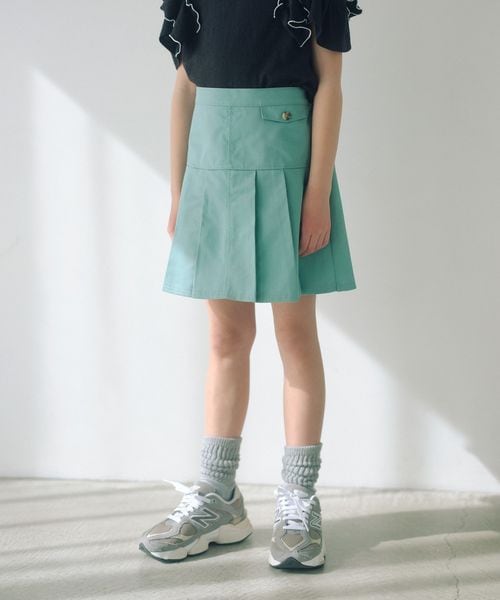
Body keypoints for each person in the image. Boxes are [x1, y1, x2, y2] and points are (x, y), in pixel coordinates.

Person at [138, 0, 362, 570]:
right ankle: (218, 496)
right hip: (211, 167)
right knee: (225, 338)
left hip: (288, 163)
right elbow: (185, 90)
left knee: (295, 335)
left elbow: (329, 85)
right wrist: (179, 190)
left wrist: (317, 195)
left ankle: (298, 498)